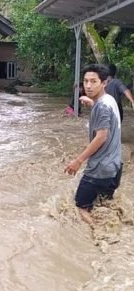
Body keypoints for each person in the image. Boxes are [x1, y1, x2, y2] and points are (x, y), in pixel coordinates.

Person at [64, 64, 122, 227]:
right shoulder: (109, 100)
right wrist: (91, 103)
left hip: (99, 169)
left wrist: (78, 160)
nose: (88, 86)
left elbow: (101, 137)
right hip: (116, 168)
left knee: (80, 208)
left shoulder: (102, 107)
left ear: (104, 83)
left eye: (93, 81)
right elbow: (106, 116)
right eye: (85, 81)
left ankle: (100, 234)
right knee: (103, 203)